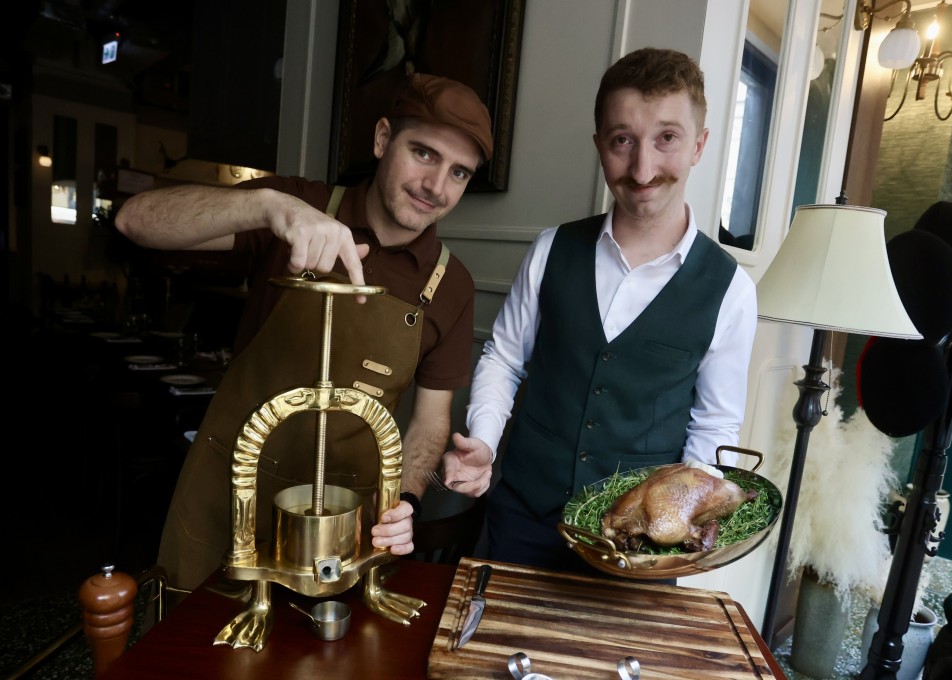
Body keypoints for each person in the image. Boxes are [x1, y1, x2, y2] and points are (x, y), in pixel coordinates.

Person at [115, 73, 493, 592]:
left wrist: (404, 502)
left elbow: (430, 422)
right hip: (229, 492)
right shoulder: (296, 205)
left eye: (459, 173)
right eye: (423, 154)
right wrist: (268, 206)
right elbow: (135, 220)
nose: (436, 187)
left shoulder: (451, 284)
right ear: (383, 139)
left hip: (341, 523)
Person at [439, 48, 758, 572]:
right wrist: (484, 442)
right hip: (523, 516)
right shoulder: (550, 250)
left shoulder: (731, 290)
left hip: (642, 551)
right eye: (622, 141)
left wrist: (677, 531)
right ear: (599, 146)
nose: (643, 168)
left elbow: (714, 426)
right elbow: (503, 358)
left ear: (699, 146)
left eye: (667, 139)